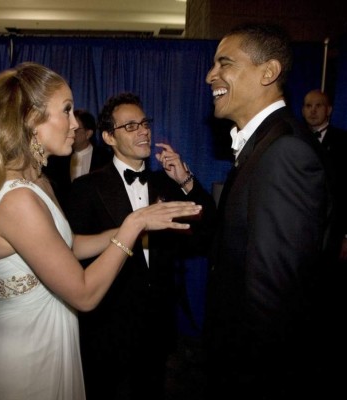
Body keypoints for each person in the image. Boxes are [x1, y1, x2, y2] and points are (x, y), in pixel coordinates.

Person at [0, 62, 203, 400]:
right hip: (25, 351)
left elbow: (69, 245)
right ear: (30, 120)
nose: (76, 124)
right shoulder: (17, 198)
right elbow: (83, 293)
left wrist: (139, 220)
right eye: (66, 111)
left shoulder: (37, 180)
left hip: (52, 335)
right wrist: (134, 224)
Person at [202, 23, 340, 399]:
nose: (210, 75)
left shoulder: (284, 152)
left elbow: (275, 298)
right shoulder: (266, 142)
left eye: (224, 63)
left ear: (269, 72)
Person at [63, 92, 217, 400]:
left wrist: (186, 180)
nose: (143, 130)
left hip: (157, 322)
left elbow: (207, 232)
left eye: (144, 123)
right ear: (108, 137)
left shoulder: (167, 184)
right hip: (107, 324)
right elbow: (73, 256)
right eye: (130, 126)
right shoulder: (86, 188)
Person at [302, 89, 347, 264]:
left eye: (318, 105)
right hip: (299, 234)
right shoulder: (294, 140)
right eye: (308, 106)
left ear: (329, 110)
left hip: (334, 234)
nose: (313, 111)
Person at [44, 109, 111, 205]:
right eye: (68, 128)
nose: (69, 133)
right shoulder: (57, 158)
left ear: (88, 134)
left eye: (75, 130)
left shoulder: (105, 158)